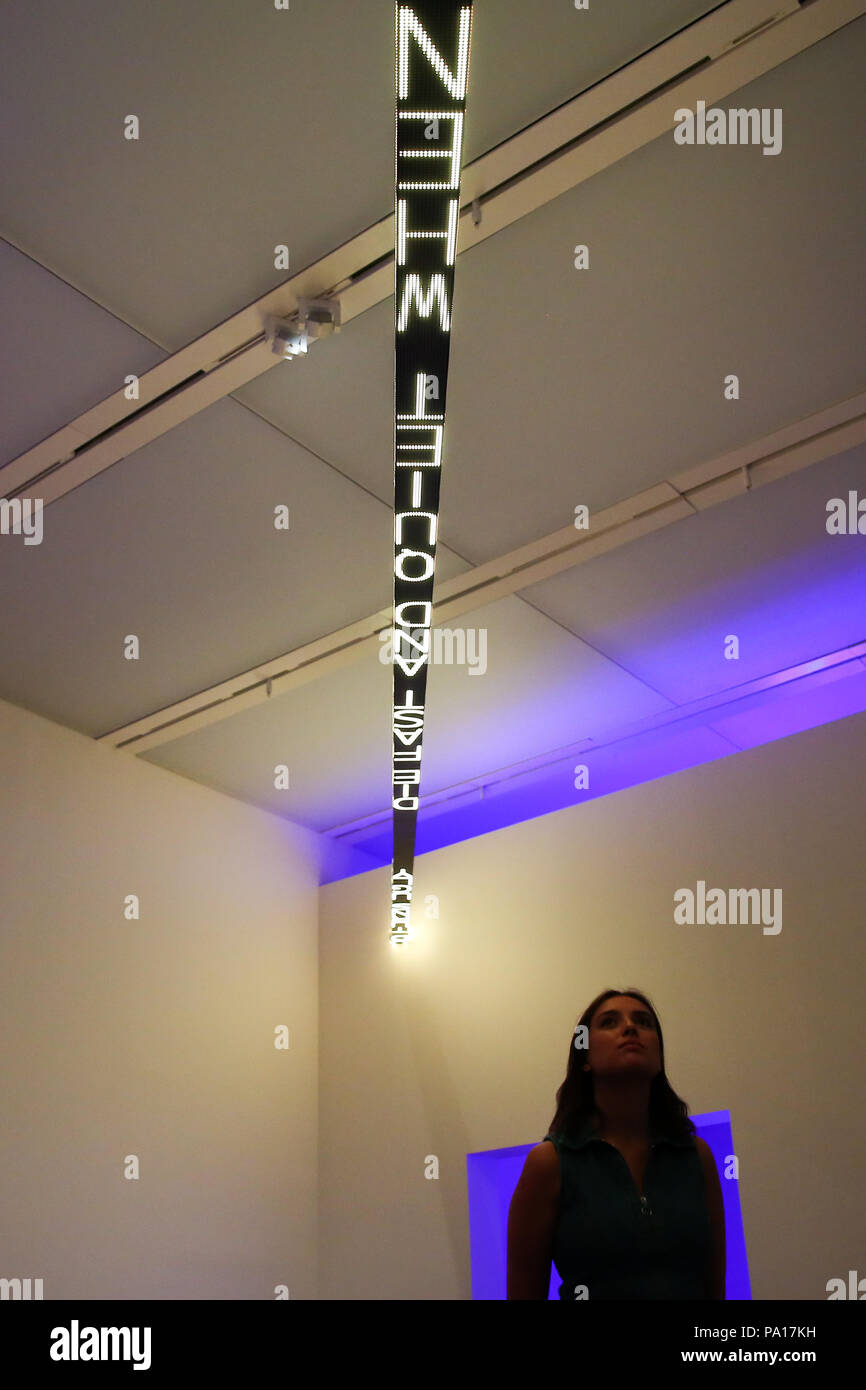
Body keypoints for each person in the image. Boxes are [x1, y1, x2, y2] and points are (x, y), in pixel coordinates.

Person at [506, 987, 726, 1299]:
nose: (630, 1027)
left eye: (644, 1022)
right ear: (584, 1056)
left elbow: (715, 1288)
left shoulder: (696, 1155)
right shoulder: (550, 1163)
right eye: (610, 1022)